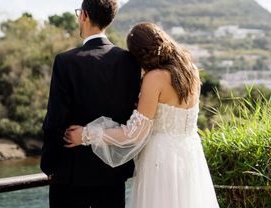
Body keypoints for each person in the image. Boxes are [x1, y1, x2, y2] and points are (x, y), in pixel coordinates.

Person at [64, 22, 219, 208]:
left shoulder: (155, 78)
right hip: (190, 155)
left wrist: (86, 135)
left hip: (160, 160)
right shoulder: (191, 70)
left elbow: (133, 134)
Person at [41, 0, 141, 208]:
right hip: (113, 174)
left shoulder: (66, 61)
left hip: (71, 175)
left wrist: (49, 166)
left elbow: (55, 121)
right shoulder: (130, 62)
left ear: (84, 15)